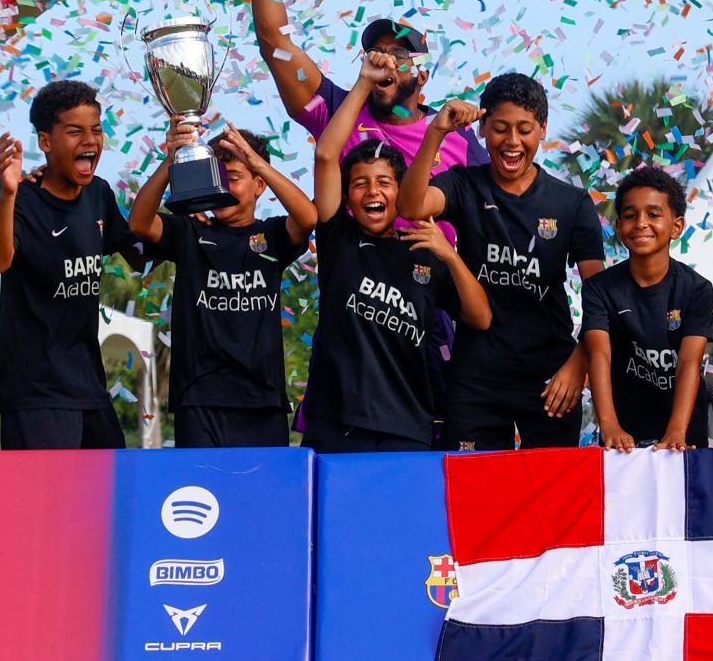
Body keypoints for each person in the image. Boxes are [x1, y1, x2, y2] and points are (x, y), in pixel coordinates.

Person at [399, 72, 607, 450]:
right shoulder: (464, 184)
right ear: (482, 130)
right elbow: (411, 207)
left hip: (550, 378)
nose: (512, 141)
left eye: (524, 129)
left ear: (542, 129)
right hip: (476, 381)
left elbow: (600, 297)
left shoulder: (572, 203)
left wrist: (579, 366)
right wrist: (436, 132)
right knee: (474, 485)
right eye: (499, 129)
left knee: (548, 487)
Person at [300, 51, 491, 453]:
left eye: (384, 182)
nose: (373, 191)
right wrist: (364, 82)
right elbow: (326, 155)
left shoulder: (423, 254)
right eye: (360, 184)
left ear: (400, 193)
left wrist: (450, 256)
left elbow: (480, 317)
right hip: (337, 424)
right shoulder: (339, 238)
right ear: (347, 199)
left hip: (407, 429)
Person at [245, 0, 482, 173]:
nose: (384, 61)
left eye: (399, 54)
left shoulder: (454, 133)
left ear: (422, 76)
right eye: (375, 52)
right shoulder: (336, 111)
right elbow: (276, 44)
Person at [129, 124, 314, 448]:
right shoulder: (190, 232)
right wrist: (170, 161)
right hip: (199, 398)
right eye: (218, 177)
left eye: (234, 177)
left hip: (262, 399)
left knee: (261, 483)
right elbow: (140, 223)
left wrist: (258, 163)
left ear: (259, 185)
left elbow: (308, 218)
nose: (224, 186)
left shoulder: (272, 237)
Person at [0, 79, 142, 450]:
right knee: (46, 491)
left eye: (96, 130)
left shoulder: (99, 193)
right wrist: (7, 193)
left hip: (90, 388)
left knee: (114, 481)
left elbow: (141, 252)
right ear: (46, 141)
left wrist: (185, 198)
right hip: (36, 393)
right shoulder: (24, 198)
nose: (90, 141)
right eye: (74, 131)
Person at [580, 165, 713, 450]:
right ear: (618, 226)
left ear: (677, 226)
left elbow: (688, 363)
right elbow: (599, 355)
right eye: (631, 215)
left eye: (653, 214)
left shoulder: (697, 289)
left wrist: (677, 432)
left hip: (683, 437)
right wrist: (610, 426)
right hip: (624, 438)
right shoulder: (598, 288)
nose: (641, 223)